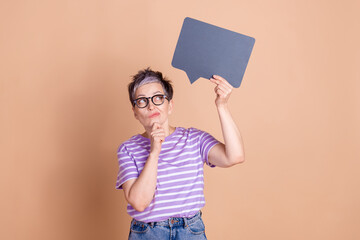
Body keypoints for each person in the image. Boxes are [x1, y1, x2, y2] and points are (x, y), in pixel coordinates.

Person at [116, 68, 245, 240]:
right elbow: (139, 202)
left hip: (190, 231)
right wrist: (154, 152)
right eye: (142, 101)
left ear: (170, 106)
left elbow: (235, 156)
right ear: (135, 112)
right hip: (147, 233)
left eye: (158, 98)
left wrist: (222, 105)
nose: (151, 105)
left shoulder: (194, 139)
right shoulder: (128, 149)